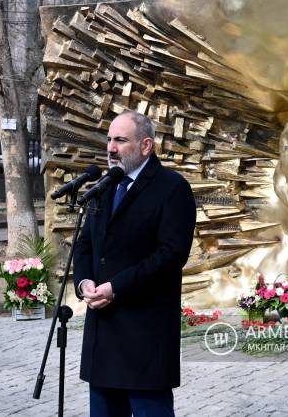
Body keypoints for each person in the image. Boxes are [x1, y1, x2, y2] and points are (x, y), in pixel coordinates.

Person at [73, 110, 197, 417]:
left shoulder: (172, 188)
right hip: (103, 332)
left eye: (120, 140)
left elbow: (171, 254)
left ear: (146, 146)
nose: (111, 148)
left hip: (145, 333)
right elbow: (86, 243)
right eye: (109, 139)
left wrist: (116, 287)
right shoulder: (105, 187)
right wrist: (84, 282)